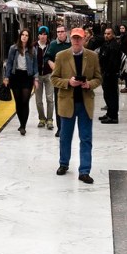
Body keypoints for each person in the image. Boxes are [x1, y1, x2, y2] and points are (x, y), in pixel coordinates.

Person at [50, 27, 102, 184]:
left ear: (84, 39)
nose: (77, 40)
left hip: (85, 104)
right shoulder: (61, 56)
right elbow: (54, 79)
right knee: (65, 136)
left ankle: (84, 171)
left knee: (86, 138)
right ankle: (63, 164)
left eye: (79, 38)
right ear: (70, 39)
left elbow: (98, 78)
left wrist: (89, 84)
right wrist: (68, 82)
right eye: (74, 38)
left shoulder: (92, 56)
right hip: (67, 103)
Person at [3, 29, 38, 135]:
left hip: (27, 77)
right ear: (20, 36)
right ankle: (21, 123)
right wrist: (6, 77)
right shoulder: (13, 48)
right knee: (18, 102)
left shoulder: (32, 50)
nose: (24, 37)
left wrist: (36, 78)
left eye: (26, 35)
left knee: (25, 101)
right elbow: (9, 63)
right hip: (15, 76)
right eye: (22, 34)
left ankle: (23, 126)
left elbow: (35, 65)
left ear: (29, 37)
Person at [45, 24, 71, 136]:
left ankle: (67, 127)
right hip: (58, 79)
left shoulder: (71, 44)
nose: (59, 34)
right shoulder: (53, 44)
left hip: (70, 78)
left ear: (66, 33)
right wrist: (52, 64)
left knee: (69, 103)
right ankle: (60, 128)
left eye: (61, 31)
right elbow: (47, 57)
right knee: (58, 102)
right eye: (58, 32)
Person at [98, 27, 122, 124]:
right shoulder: (106, 44)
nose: (106, 35)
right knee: (107, 95)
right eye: (105, 33)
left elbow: (112, 62)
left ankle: (113, 116)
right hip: (106, 73)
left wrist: (107, 72)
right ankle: (109, 113)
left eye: (108, 34)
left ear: (113, 34)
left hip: (111, 74)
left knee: (112, 96)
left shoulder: (114, 46)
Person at [33, 26, 54, 130]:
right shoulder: (34, 46)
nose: (43, 36)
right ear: (38, 35)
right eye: (41, 34)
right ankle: (42, 118)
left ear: (47, 35)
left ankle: (50, 120)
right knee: (38, 100)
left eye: (45, 34)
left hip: (49, 75)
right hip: (37, 76)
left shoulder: (51, 46)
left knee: (50, 98)